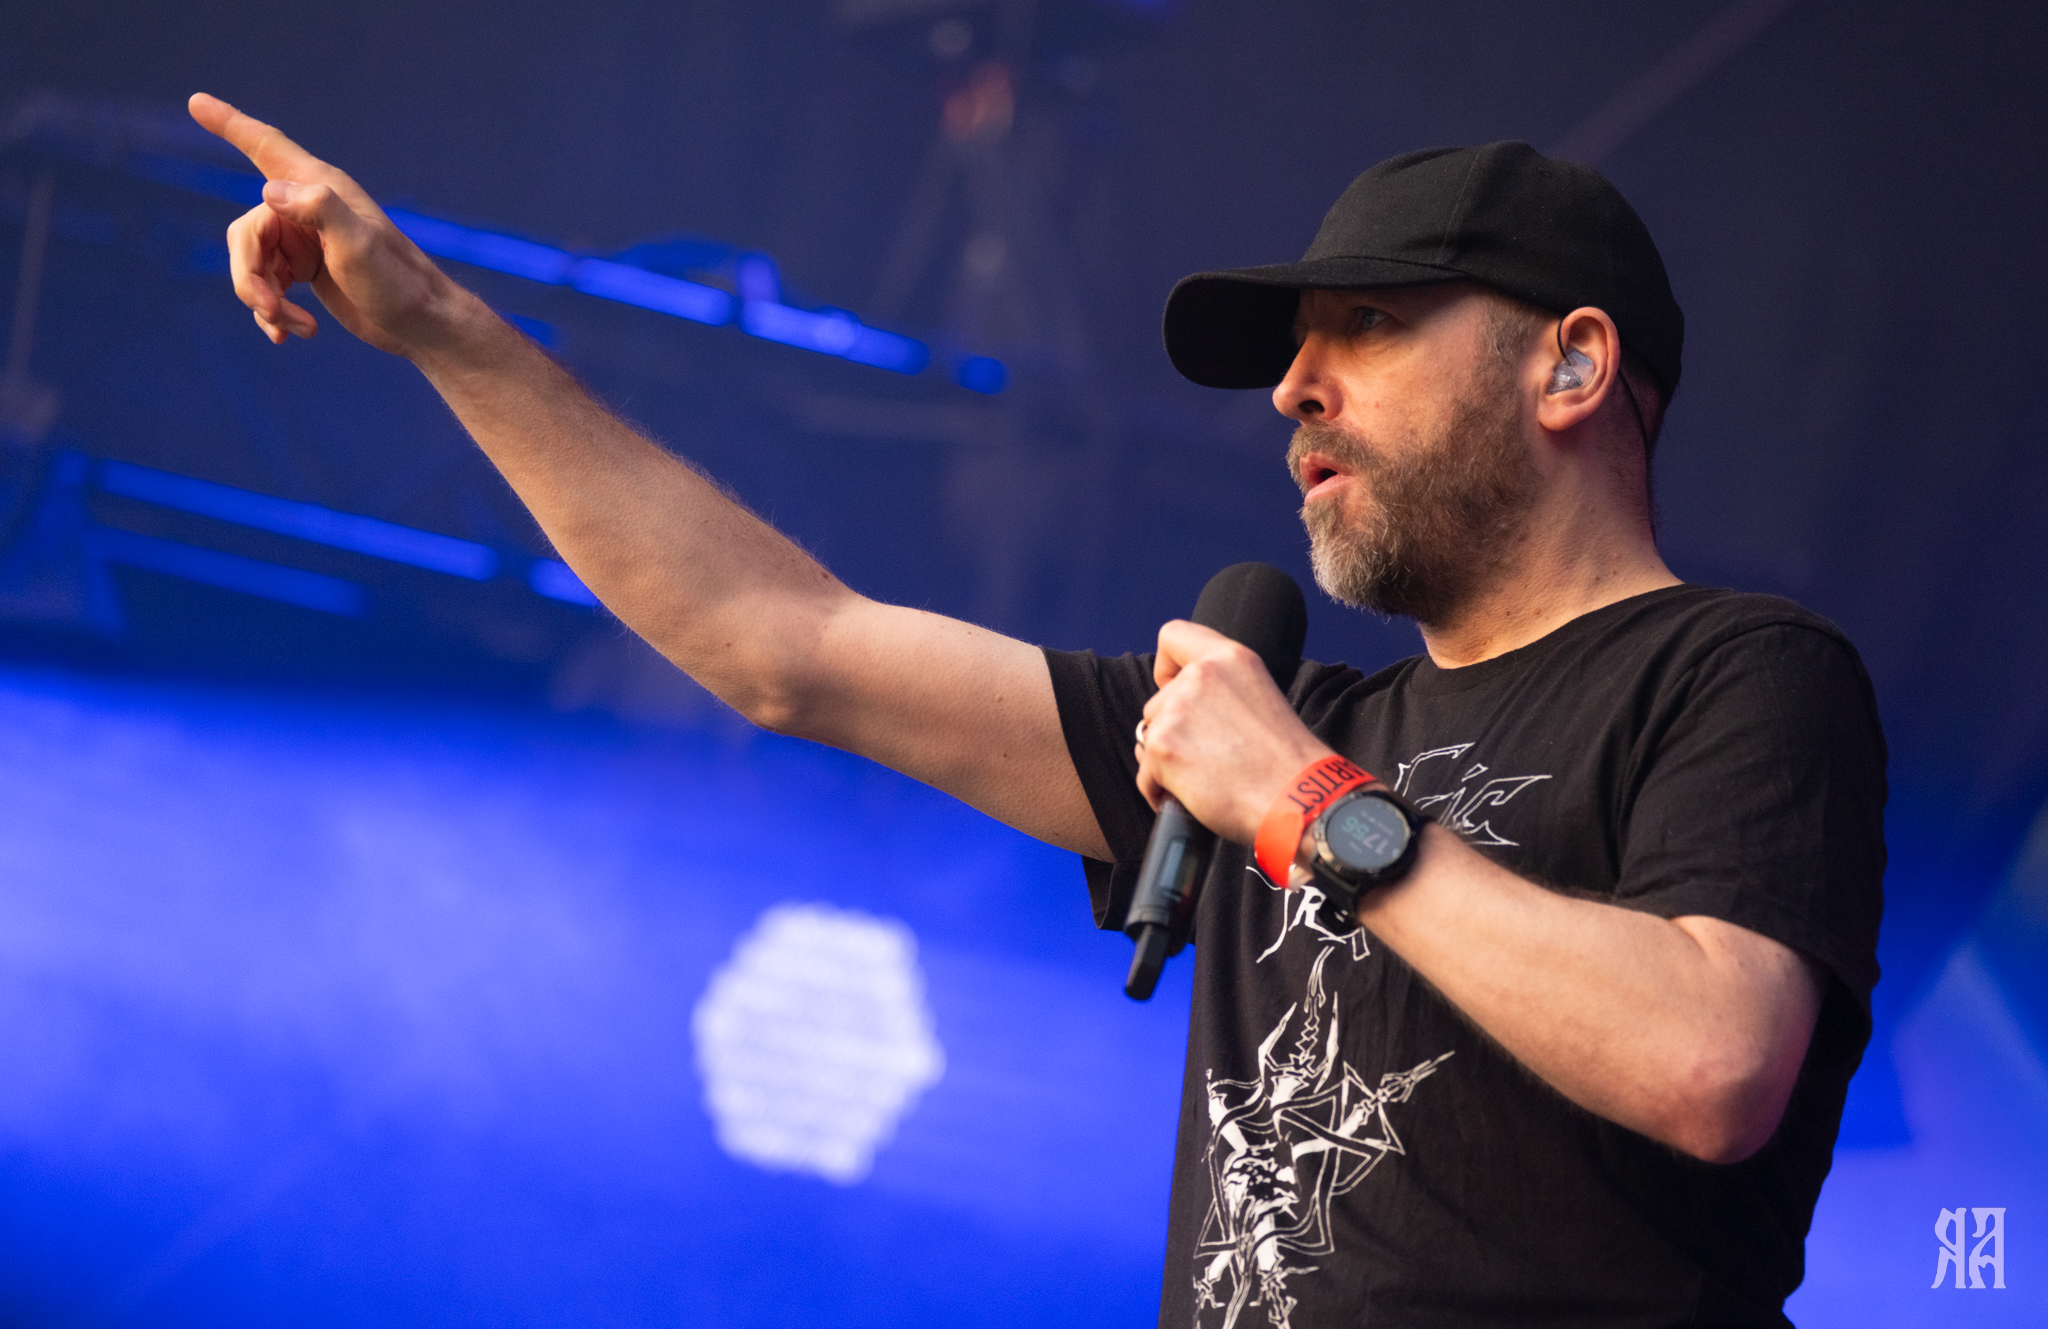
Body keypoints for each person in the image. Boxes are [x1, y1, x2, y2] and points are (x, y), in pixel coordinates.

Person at [188, 95, 1885, 1329]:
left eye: (1367, 327)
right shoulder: (1270, 723)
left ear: (1570, 366)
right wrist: (438, 328)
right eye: (1298, 347)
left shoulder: (1736, 673)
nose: (1294, 387)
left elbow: (1711, 1061)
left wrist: (1302, 807)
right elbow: (784, 642)